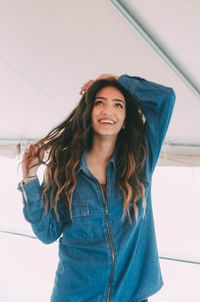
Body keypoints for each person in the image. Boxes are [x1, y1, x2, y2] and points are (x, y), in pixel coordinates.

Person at [18, 73, 176, 302]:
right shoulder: (64, 167)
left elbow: (165, 99)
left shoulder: (141, 159)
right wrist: (30, 179)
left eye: (118, 105)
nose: (108, 111)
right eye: (99, 102)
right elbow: (47, 232)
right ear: (89, 111)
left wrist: (119, 80)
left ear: (125, 118)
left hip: (131, 296)